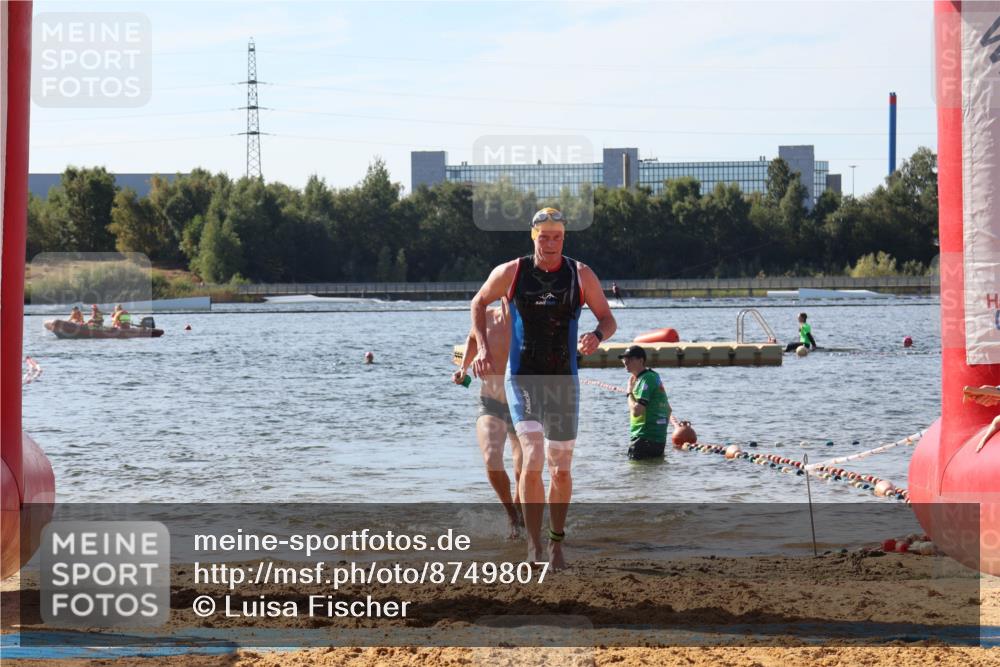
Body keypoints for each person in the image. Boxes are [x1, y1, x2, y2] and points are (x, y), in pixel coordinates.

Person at [470, 206, 617, 569]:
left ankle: (556, 543)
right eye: (544, 236)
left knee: (561, 467)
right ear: (533, 236)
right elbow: (478, 301)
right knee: (533, 455)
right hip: (523, 378)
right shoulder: (512, 272)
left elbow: (608, 318)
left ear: (564, 238)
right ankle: (533, 545)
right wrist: (485, 347)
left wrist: (597, 336)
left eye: (558, 237)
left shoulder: (580, 274)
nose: (551, 243)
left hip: (564, 380)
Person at [453, 296, 524, 538]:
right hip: (490, 401)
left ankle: (520, 510)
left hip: (523, 404)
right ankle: (512, 515)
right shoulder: (486, 317)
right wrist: (463, 368)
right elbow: (473, 337)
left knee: (522, 469)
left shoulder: (528, 321)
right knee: (491, 458)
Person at [620, 345, 671, 460]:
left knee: (634, 476)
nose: (625, 361)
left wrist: (629, 392)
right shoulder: (653, 376)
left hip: (643, 440)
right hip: (658, 441)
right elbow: (668, 409)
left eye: (630, 359)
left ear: (641, 360)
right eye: (624, 359)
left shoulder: (646, 379)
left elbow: (637, 411)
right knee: (650, 475)